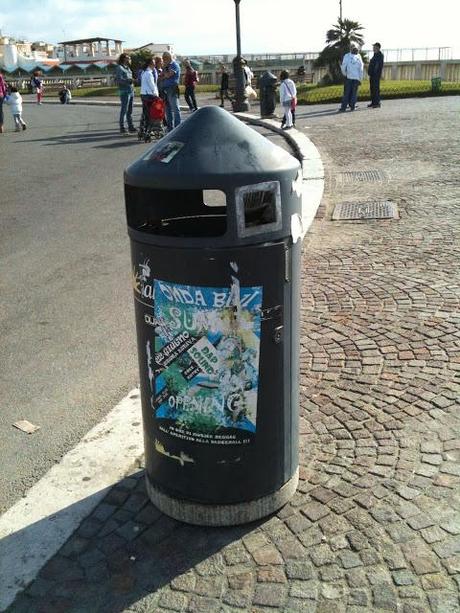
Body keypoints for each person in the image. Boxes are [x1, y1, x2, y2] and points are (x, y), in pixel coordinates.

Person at [115, 53, 136, 134]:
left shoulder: (128, 68)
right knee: (124, 110)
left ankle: (131, 126)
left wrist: (133, 86)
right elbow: (119, 80)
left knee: (130, 110)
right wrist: (129, 81)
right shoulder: (119, 68)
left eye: (129, 58)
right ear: (123, 59)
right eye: (128, 58)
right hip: (124, 92)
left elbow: (130, 79)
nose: (129, 59)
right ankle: (122, 127)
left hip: (131, 91)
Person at [160, 51, 181, 131]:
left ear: (169, 57)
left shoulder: (174, 65)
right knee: (167, 109)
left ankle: (177, 127)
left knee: (175, 108)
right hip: (165, 89)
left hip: (172, 88)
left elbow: (168, 75)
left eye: (164, 58)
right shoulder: (167, 66)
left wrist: (164, 74)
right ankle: (170, 127)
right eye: (163, 58)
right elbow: (161, 76)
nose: (164, 59)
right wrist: (164, 74)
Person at [339, 45, 364, 112]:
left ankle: (343, 107)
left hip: (349, 77)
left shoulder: (347, 56)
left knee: (346, 93)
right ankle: (352, 107)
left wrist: (345, 74)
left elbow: (343, 66)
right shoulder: (359, 57)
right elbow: (361, 69)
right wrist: (360, 79)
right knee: (354, 93)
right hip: (356, 78)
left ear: (351, 50)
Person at [139, 57, 159, 136]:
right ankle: (149, 130)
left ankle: (144, 128)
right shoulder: (149, 73)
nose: (155, 65)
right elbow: (152, 86)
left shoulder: (143, 72)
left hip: (143, 94)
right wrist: (157, 95)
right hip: (149, 95)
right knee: (150, 114)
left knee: (145, 113)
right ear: (150, 64)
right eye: (154, 63)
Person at [368, 42, 384, 108]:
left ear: (377, 47)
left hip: (375, 75)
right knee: (372, 88)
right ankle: (373, 102)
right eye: (373, 47)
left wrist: (374, 73)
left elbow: (377, 65)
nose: (373, 48)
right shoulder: (375, 54)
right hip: (372, 75)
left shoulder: (380, 55)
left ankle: (377, 103)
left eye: (374, 47)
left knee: (376, 89)